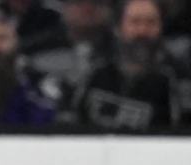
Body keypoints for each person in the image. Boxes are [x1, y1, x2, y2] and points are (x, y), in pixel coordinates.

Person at [72, 0, 184, 129]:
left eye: (151, 22)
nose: (142, 31)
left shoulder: (175, 78)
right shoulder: (94, 71)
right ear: (117, 28)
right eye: (135, 22)